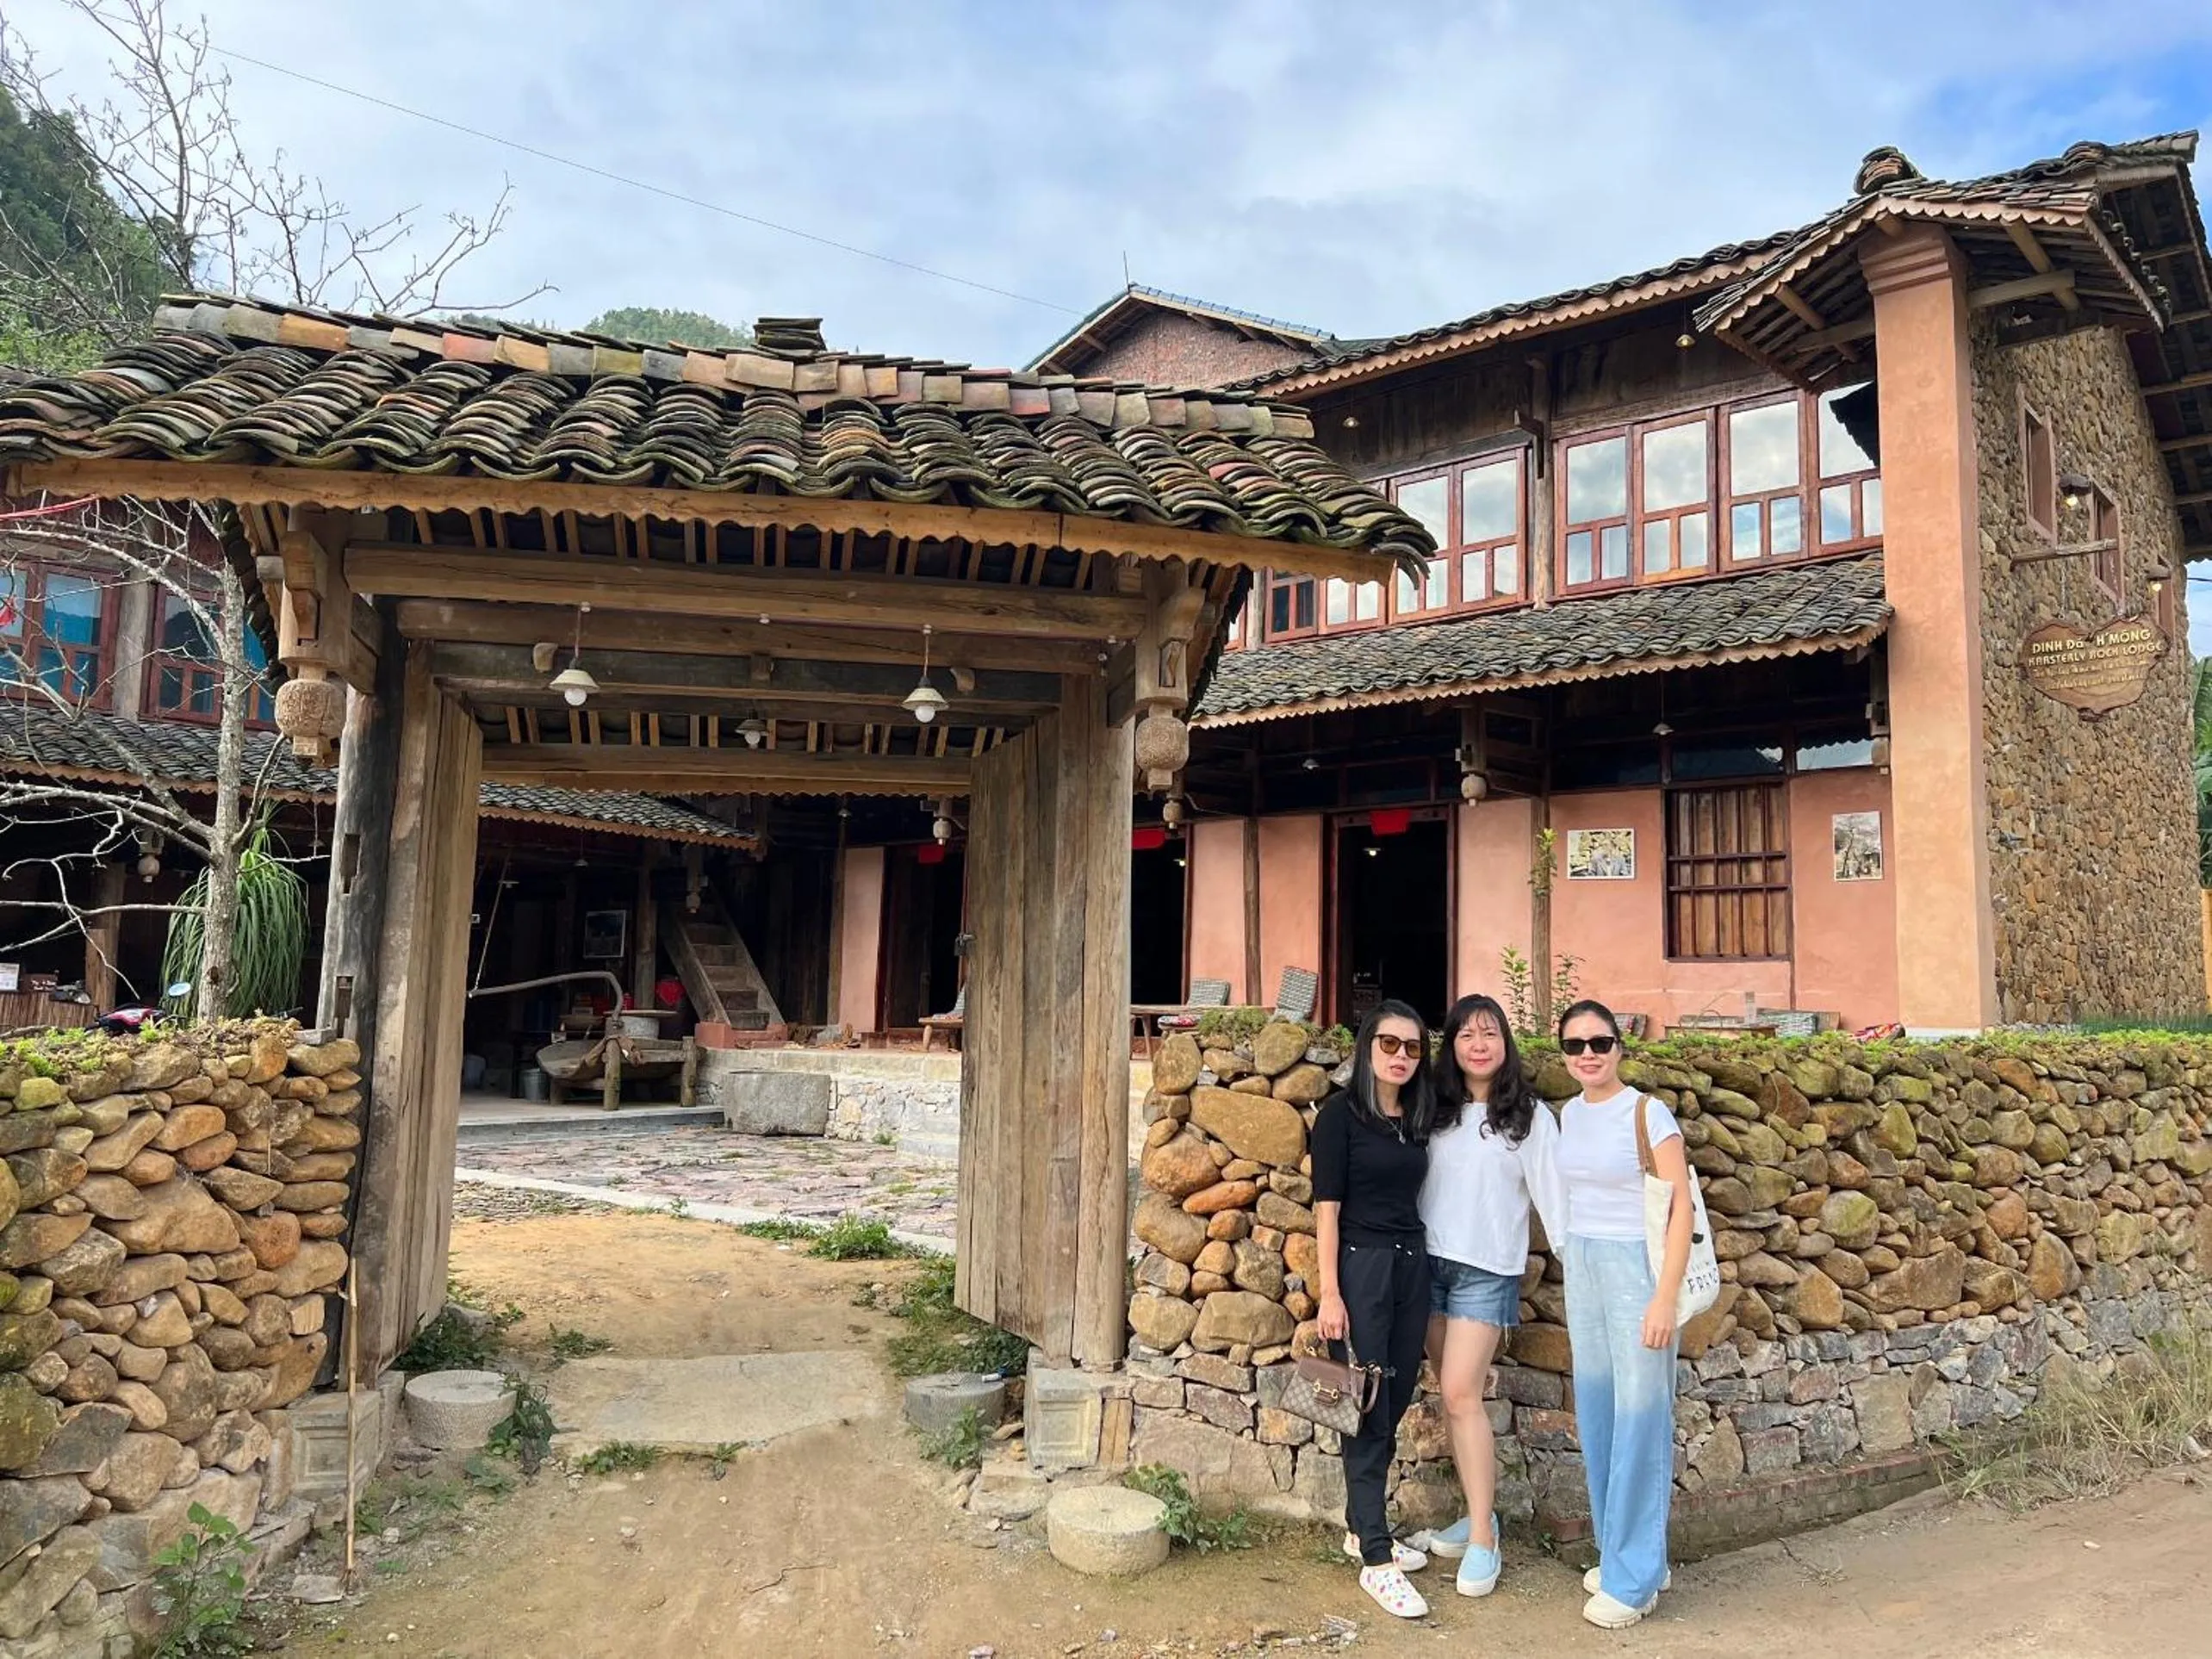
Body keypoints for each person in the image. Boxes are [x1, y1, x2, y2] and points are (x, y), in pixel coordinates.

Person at [1413, 993, 1563, 1599]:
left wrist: (1580, 1269)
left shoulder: (1529, 1116)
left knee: (1460, 1393)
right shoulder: (1433, 1108)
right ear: (1451, 1046)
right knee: (1451, 1398)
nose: (1479, 1045)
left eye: (1490, 1033)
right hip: (1428, 1264)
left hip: (1486, 1269)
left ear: (1506, 1042)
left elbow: (1554, 1199)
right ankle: (1479, 1514)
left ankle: (1483, 1537)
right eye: (1467, 1035)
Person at [1553, 999, 1694, 1630]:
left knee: (1641, 1417)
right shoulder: (1569, 1114)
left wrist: (1663, 1297)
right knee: (1600, 1412)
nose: (1588, 1054)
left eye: (1599, 1042)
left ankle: (1634, 1580)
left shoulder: (1647, 1113)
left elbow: (1681, 1209)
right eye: (1575, 1044)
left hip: (1638, 1267)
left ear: (1619, 1046)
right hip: (1584, 1265)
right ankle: (1625, 1555)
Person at [1312, 999, 1438, 1619]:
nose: (1400, 1057)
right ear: (1367, 1048)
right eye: (1389, 1044)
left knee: (1394, 1397)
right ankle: (1377, 1560)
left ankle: (1361, 1527)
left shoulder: (1416, 1117)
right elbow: (1326, 1209)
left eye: (1412, 1048)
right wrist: (1330, 1293)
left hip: (1412, 1265)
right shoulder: (1340, 1116)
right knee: (1364, 1407)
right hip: (1361, 1268)